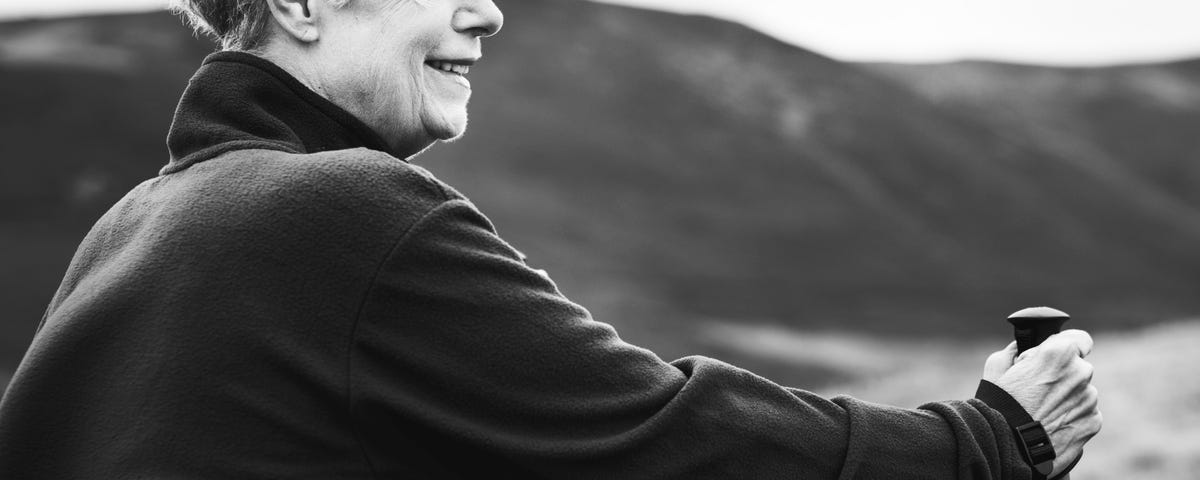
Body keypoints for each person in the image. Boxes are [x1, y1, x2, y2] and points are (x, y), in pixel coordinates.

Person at [0, 0, 1101, 478]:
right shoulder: (335, 213)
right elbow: (670, 445)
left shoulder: (130, 233)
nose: (490, 15)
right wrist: (996, 438)